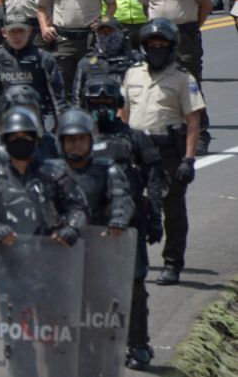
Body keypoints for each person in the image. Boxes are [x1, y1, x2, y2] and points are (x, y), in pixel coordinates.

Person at [80, 76, 164, 369]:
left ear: (117, 104)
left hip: (129, 225)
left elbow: (154, 177)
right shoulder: (77, 139)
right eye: (95, 102)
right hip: (87, 225)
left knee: (135, 285)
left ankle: (138, 344)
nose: (101, 107)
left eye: (107, 102)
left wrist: (155, 216)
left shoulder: (135, 138)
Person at [120, 18, 205, 286]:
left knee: (173, 210)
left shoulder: (183, 78)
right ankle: (132, 261)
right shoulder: (133, 73)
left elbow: (193, 120)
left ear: (170, 47)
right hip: (136, 151)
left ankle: (172, 263)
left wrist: (189, 160)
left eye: (162, 44)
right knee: (130, 206)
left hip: (167, 153)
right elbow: (123, 112)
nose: (156, 48)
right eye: (152, 44)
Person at [0, 107, 88, 252]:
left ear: (35, 140)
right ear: (5, 142)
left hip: (51, 258)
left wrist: (72, 227)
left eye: (26, 137)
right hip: (8, 264)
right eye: (14, 137)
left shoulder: (55, 176)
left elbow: (78, 209)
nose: (20, 141)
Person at [139, 0, 213, 154]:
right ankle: (164, 133)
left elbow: (206, 4)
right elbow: (145, 6)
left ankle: (200, 135)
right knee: (159, 85)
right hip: (158, 39)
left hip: (185, 36)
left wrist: (192, 27)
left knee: (191, 85)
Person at [0, 15, 66, 152]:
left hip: (36, 130)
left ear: (29, 31)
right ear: (4, 32)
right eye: (12, 32)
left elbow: (58, 100)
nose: (17, 36)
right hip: (0, 130)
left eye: (21, 31)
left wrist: (63, 131)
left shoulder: (44, 60)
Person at [56, 109, 133, 230]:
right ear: (62, 142)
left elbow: (121, 199)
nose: (76, 144)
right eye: (70, 139)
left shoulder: (107, 169)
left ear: (91, 140)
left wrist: (118, 220)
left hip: (98, 239)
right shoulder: (52, 172)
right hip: (60, 241)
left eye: (82, 138)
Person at [71, 19, 140, 103]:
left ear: (121, 33)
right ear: (97, 35)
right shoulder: (88, 61)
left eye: (110, 31)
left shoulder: (134, 59)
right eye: (102, 32)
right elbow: (76, 99)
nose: (106, 35)